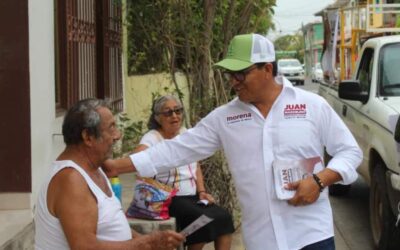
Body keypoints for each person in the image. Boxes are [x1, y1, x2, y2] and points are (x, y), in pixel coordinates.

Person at [104, 34, 362, 250]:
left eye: (241, 74)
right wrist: (119, 166)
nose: (233, 81)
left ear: (267, 69)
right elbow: (176, 150)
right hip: (262, 240)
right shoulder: (225, 118)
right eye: (230, 74)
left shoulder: (311, 106)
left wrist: (319, 180)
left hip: (312, 236)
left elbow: (350, 152)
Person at [34, 98, 184, 250]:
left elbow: (113, 226)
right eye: (111, 128)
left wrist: (150, 243)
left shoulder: (95, 168)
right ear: (88, 137)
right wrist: (147, 243)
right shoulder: (70, 179)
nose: (117, 135)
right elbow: (84, 247)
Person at [133, 95, 234, 250]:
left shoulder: (185, 133)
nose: (174, 116)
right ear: (158, 118)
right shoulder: (152, 138)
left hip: (192, 197)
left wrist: (202, 191)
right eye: (168, 113)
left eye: (178, 111)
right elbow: (136, 161)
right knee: (201, 220)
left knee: (224, 217)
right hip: (168, 199)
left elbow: (196, 166)